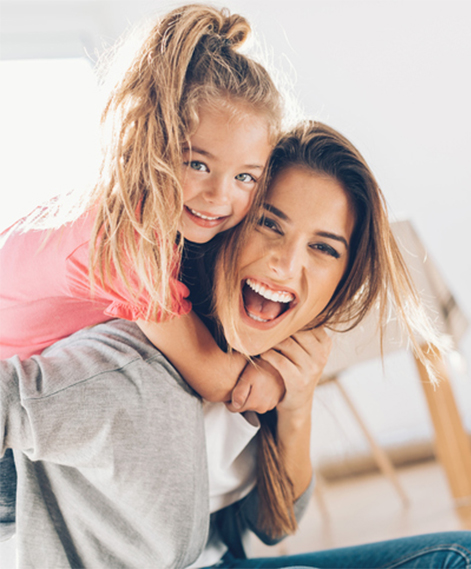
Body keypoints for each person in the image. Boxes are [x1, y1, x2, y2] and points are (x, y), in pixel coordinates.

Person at [2, 121, 471, 567]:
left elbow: (270, 523)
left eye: (323, 248)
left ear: (341, 280)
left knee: (468, 557)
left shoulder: (266, 364)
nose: (286, 262)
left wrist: (297, 406)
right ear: (228, 224)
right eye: (269, 223)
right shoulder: (129, 364)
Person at [0, 3, 290, 541]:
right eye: (196, 164)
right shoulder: (127, 239)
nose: (218, 196)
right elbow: (211, 377)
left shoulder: (130, 213)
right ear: (150, 142)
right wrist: (280, 375)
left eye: (246, 177)